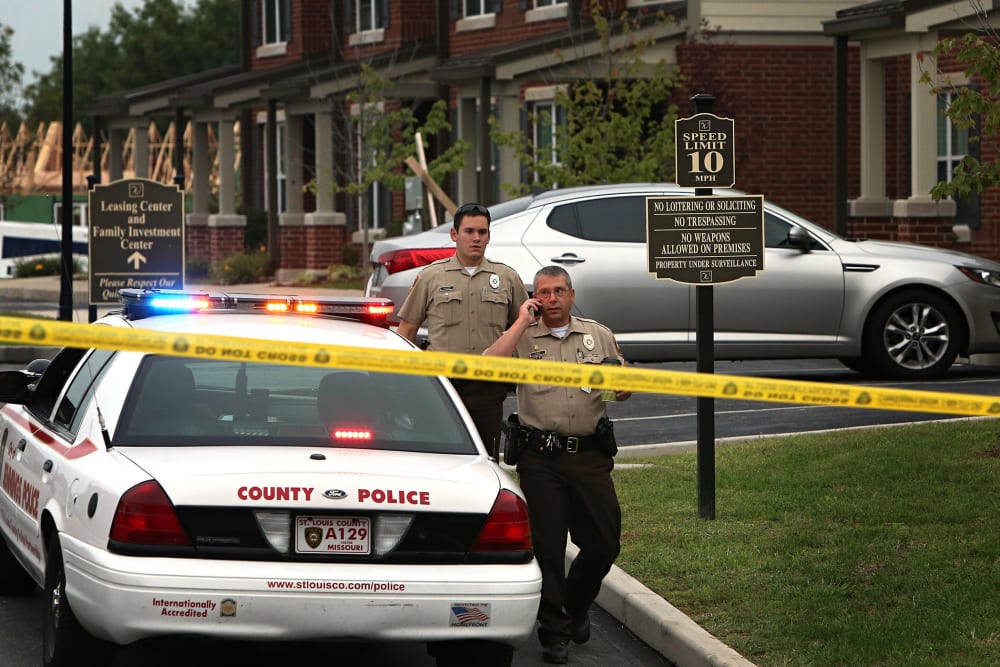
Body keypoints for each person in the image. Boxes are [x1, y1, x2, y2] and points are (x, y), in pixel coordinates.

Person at [484, 265, 631, 665]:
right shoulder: (523, 337)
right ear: (534, 297)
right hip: (540, 459)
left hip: (589, 455)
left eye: (558, 292)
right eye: (543, 293)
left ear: (571, 293)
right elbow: (487, 365)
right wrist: (518, 322)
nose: (551, 299)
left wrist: (624, 386)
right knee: (548, 549)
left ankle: (575, 606)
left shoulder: (596, 334)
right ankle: (554, 633)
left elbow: (624, 383)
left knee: (604, 543)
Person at [396, 202, 528, 458]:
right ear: (454, 235)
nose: (476, 238)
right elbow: (407, 330)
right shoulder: (431, 277)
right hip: (443, 387)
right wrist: (404, 382)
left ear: (489, 235)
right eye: (469, 231)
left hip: (488, 388)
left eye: (482, 232)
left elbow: (525, 328)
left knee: (486, 458)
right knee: (439, 456)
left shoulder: (507, 278)